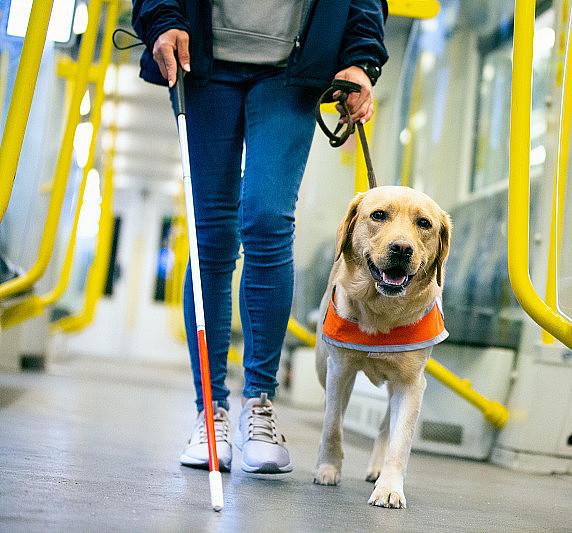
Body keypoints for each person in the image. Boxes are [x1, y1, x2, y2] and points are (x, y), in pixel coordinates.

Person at [131, 0, 388, 474]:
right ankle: (209, 412)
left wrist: (360, 55)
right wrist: (163, 19)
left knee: (268, 221)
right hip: (201, 59)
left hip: (293, 66)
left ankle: (260, 402)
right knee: (211, 235)